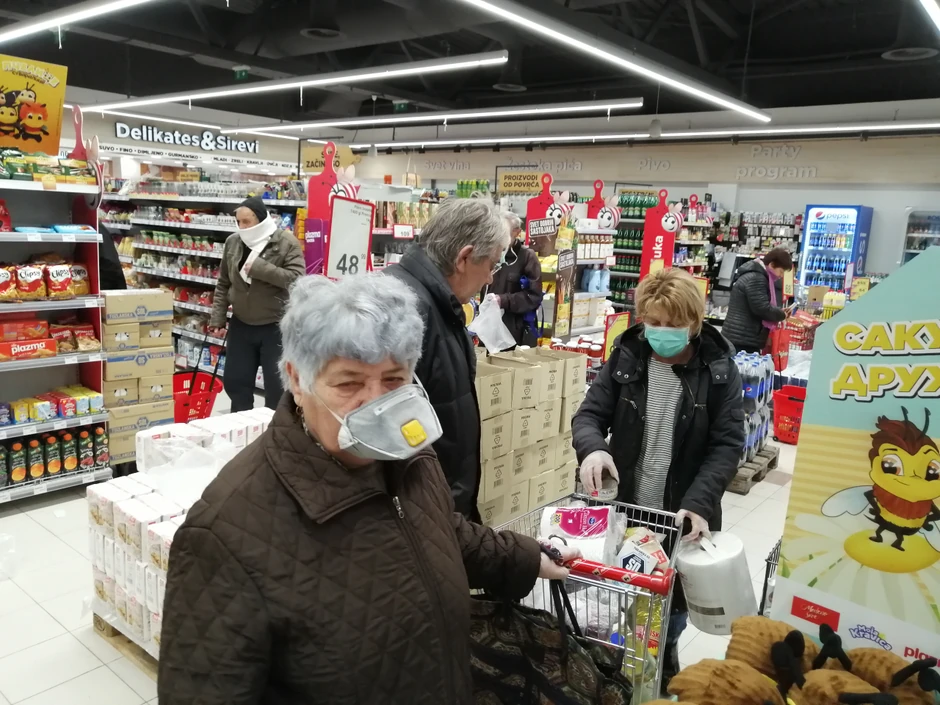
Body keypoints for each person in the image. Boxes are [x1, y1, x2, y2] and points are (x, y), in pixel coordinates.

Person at [157, 273, 576, 705]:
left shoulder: (410, 454)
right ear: (297, 381)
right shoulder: (223, 535)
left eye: (393, 380)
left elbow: (433, 528)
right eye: (349, 383)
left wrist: (525, 557)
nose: (377, 404)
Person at [571, 267, 745, 688]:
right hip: (627, 507)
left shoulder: (719, 372)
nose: (661, 332)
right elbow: (589, 415)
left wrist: (700, 502)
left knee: (675, 600)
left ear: (694, 323)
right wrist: (593, 448)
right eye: (653, 322)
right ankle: (617, 662)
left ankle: (665, 655)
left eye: (672, 324)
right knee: (621, 588)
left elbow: (727, 445)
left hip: (682, 513)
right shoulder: (627, 358)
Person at [386, 198, 510, 517]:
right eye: (492, 265)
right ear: (464, 258)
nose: (490, 278)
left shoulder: (440, 305)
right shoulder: (410, 310)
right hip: (420, 513)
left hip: (437, 506)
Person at [208, 196, 304, 411]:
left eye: (247, 221)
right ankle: (240, 422)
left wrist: (260, 268)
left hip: (274, 326)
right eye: (238, 222)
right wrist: (217, 319)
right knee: (236, 381)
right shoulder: (233, 242)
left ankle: (275, 425)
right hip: (241, 324)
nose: (242, 227)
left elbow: (297, 280)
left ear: (260, 219)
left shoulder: (286, 242)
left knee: (277, 386)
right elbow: (223, 283)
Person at [483, 212, 543, 347]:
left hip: (515, 333)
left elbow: (534, 296)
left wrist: (502, 300)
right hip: (488, 329)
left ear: (517, 232)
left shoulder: (527, 257)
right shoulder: (489, 254)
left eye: (504, 232)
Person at [722, 248, 794, 354]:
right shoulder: (756, 278)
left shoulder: (757, 275)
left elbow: (760, 303)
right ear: (772, 264)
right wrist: (781, 314)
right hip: (742, 338)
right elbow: (762, 308)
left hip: (740, 335)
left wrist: (779, 312)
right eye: (781, 271)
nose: (781, 276)